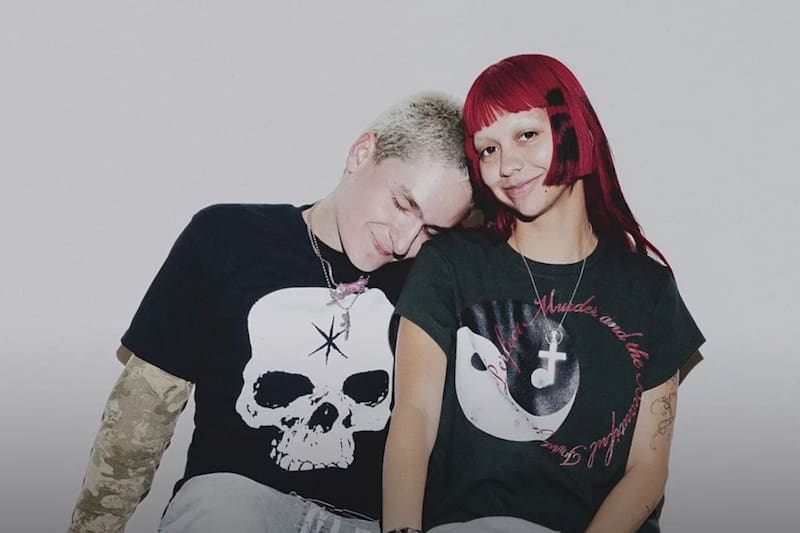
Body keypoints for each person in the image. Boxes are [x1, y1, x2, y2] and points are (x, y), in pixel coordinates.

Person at [68, 92, 474, 533]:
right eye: (402, 204)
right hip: (235, 507)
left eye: (431, 231)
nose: (404, 241)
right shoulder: (227, 237)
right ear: (362, 153)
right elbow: (141, 412)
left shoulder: (436, 284)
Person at [382, 54, 705, 533]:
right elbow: (414, 413)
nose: (507, 165)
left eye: (527, 135)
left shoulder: (648, 289)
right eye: (487, 150)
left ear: (576, 129)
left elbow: (648, 469)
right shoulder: (450, 266)